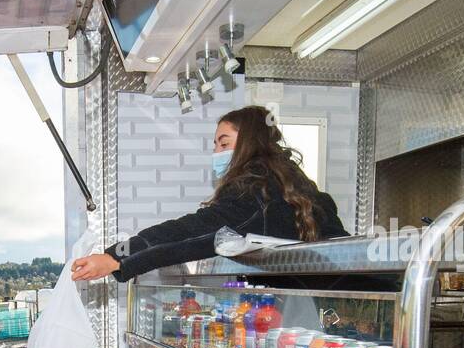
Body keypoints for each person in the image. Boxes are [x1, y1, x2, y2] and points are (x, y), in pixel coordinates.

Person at [70, 105, 349, 283]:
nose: (216, 152)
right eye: (215, 145)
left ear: (249, 144)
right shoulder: (298, 189)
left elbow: (187, 233)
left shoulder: (255, 193)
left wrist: (116, 258)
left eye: (224, 144)